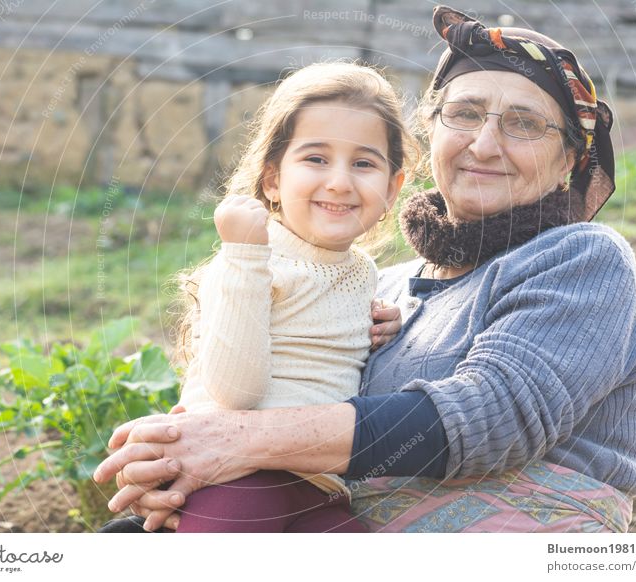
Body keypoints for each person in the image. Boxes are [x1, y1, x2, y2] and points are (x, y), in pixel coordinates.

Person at [94, 6, 636, 533]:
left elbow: (491, 416)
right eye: (463, 114)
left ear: (569, 160)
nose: (485, 145)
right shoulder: (377, 289)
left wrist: (238, 441)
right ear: (431, 131)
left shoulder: (582, 259)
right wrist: (173, 458)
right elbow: (278, 389)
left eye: (525, 124)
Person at [101, 62, 412, 532]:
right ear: (271, 180)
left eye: (364, 163)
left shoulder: (362, 273)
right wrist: (244, 257)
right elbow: (236, 391)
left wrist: (380, 327)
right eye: (316, 159)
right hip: (230, 476)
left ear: (392, 188)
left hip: (319, 485)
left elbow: (318, 350)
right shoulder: (248, 259)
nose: (340, 182)